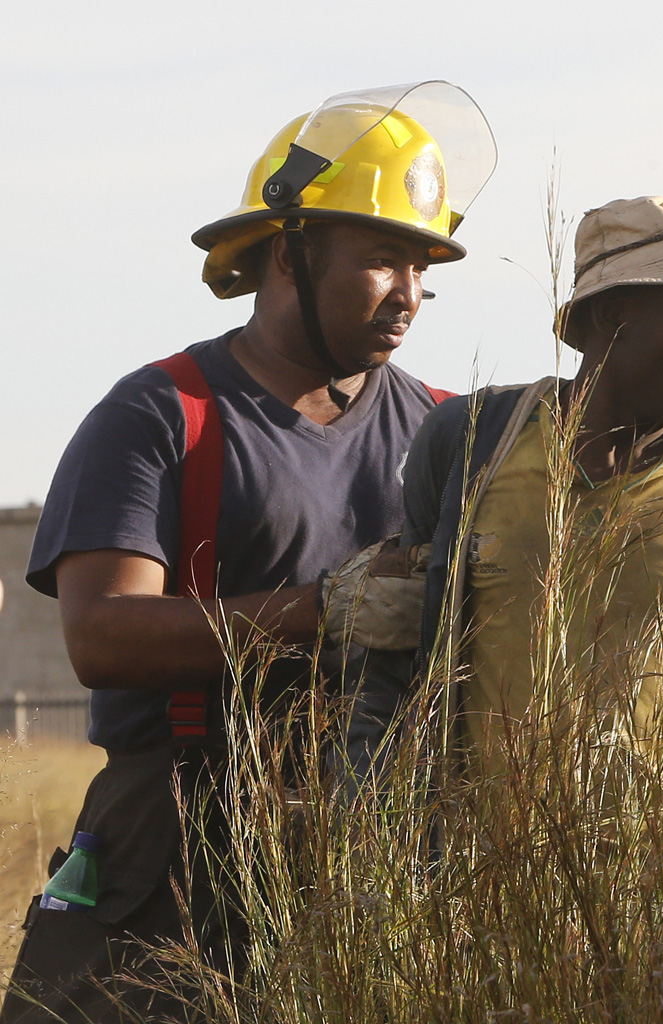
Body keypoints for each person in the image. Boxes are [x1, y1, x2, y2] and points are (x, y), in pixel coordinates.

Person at [0, 82, 496, 1024]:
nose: (411, 295)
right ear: (289, 252)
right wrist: (328, 610)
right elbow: (102, 638)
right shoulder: (162, 413)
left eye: (425, 270)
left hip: (375, 833)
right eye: (384, 259)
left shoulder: (443, 430)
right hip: (178, 833)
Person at [336, 195, 663, 1015]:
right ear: (605, 321)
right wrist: (377, 859)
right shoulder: (472, 442)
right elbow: (400, 666)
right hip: (483, 917)